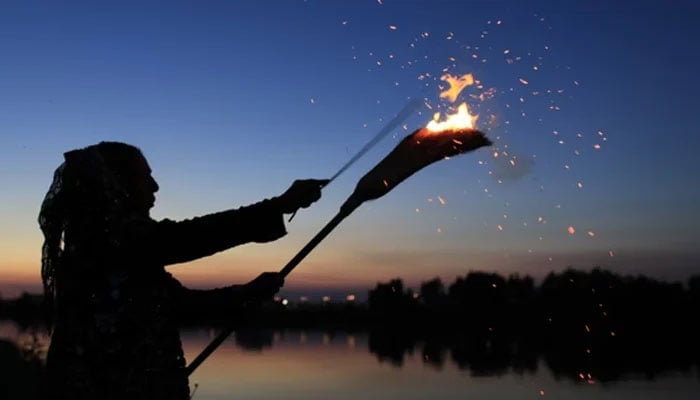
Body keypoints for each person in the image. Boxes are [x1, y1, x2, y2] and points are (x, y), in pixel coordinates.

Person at [38, 141, 327, 400]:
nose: (155, 186)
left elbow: (181, 305)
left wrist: (247, 292)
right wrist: (279, 205)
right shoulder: (107, 242)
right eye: (144, 177)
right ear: (117, 185)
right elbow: (190, 238)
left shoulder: (114, 247)